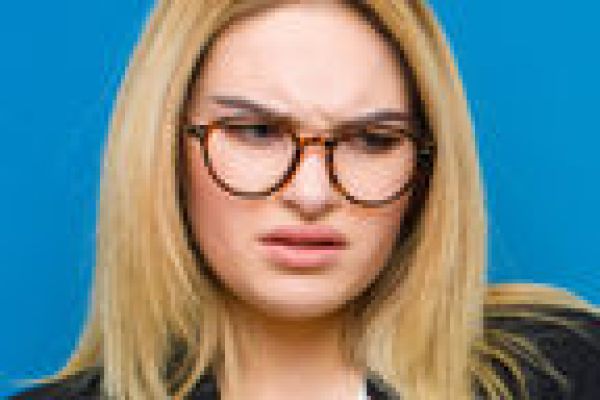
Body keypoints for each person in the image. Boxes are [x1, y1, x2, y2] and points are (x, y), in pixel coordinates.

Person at [9, 1, 599, 399]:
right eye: (257, 132)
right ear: (164, 150)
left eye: (373, 140)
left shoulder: (565, 370)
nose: (312, 195)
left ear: (426, 169)